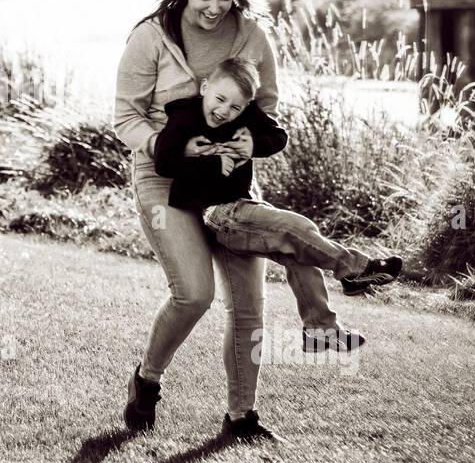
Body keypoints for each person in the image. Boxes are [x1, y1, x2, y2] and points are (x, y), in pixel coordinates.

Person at [115, 0, 335, 443]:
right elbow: (124, 116)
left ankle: (241, 417)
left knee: (248, 303)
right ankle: (147, 380)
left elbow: (269, 110)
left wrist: (247, 141)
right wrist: (168, 146)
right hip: (162, 178)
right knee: (193, 294)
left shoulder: (253, 35)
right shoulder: (150, 37)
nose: (215, 9)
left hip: (230, 186)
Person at [153, 56, 400, 349]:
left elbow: (278, 136)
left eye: (234, 107)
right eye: (219, 99)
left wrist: (254, 145)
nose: (223, 111)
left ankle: (321, 329)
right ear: (205, 88)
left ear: (244, 106)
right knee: (296, 228)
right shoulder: (184, 117)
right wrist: (204, 159)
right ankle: (355, 268)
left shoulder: (246, 116)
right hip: (217, 214)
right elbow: (163, 163)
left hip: (244, 209)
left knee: (300, 250)